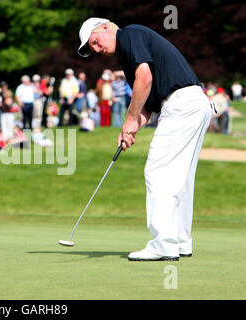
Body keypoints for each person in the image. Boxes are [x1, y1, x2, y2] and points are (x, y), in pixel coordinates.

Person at [78, 17, 213, 261]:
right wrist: (130, 130)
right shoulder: (129, 56)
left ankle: (164, 244)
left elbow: (145, 79)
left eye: (95, 42)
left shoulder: (129, 34)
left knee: (157, 172)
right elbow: (147, 108)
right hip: (194, 104)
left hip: (181, 105)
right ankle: (180, 242)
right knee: (180, 177)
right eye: (92, 49)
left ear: (106, 27)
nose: (97, 50)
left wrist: (129, 119)